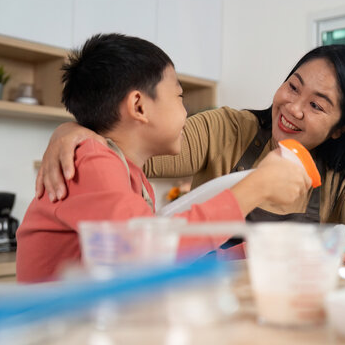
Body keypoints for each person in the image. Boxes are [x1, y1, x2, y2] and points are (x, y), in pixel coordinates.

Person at [35, 44, 345, 262]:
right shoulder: (228, 130)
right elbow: (136, 142)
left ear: (343, 127)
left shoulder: (341, 180)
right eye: (293, 87)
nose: (293, 108)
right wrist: (77, 130)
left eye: (317, 105)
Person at [16, 33, 311, 283]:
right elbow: (150, 252)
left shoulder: (126, 171)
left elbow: (169, 255)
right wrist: (257, 186)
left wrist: (256, 250)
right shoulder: (93, 161)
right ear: (139, 107)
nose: (186, 112)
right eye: (179, 97)